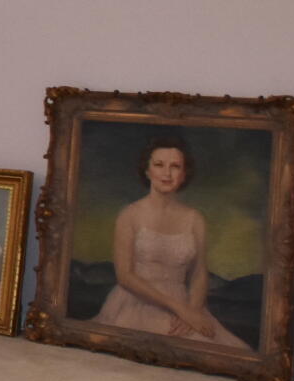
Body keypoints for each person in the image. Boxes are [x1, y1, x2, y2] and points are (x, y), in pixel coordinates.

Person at [93, 139, 248, 349]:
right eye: (159, 165)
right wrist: (179, 309)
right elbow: (125, 276)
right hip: (136, 301)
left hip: (184, 304)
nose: (167, 173)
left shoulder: (195, 218)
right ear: (147, 171)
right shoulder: (129, 215)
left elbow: (199, 273)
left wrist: (192, 311)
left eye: (175, 166)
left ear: (184, 174)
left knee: (223, 350)